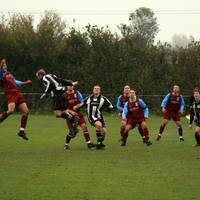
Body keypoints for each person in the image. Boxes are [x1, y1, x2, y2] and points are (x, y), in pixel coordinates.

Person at [36, 69, 79, 136]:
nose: (38, 78)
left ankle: (73, 118)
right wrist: (70, 83)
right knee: (64, 112)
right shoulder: (51, 75)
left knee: (57, 113)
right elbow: (61, 80)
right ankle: (74, 128)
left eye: (37, 76)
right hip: (63, 94)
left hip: (57, 95)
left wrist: (45, 93)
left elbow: (51, 84)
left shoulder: (45, 78)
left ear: (40, 75)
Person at [0, 58, 32, 140]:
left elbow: (16, 82)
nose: (5, 66)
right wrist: (1, 65)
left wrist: (25, 83)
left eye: (5, 64)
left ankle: (21, 131)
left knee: (26, 112)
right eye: (3, 65)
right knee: (10, 111)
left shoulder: (8, 74)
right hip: (10, 93)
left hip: (17, 93)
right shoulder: (0, 74)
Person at [74, 85, 113, 149]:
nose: (96, 90)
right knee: (99, 125)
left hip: (100, 117)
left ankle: (99, 143)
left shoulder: (103, 98)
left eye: (98, 89)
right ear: (93, 90)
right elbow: (81, 104)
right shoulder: (88, 98)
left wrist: (109, 109)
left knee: (104, 131)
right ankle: (99, 144)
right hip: (91, 117)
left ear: (100, 91)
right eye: (95, 88)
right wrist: (76, 107)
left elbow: (110, 105)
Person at [64, 84, 96, 149]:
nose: (70, 87)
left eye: (71, 85)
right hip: (70, 116)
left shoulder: (77, 93)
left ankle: (89, 143)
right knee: (73, 132)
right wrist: (71, 111)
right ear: (66, 86)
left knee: (84, 127)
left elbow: (82, 102)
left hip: (78, 114)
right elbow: (63, 108)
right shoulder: (64, 95)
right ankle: (66, 145)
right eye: (69, 85)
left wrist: (78, 106)